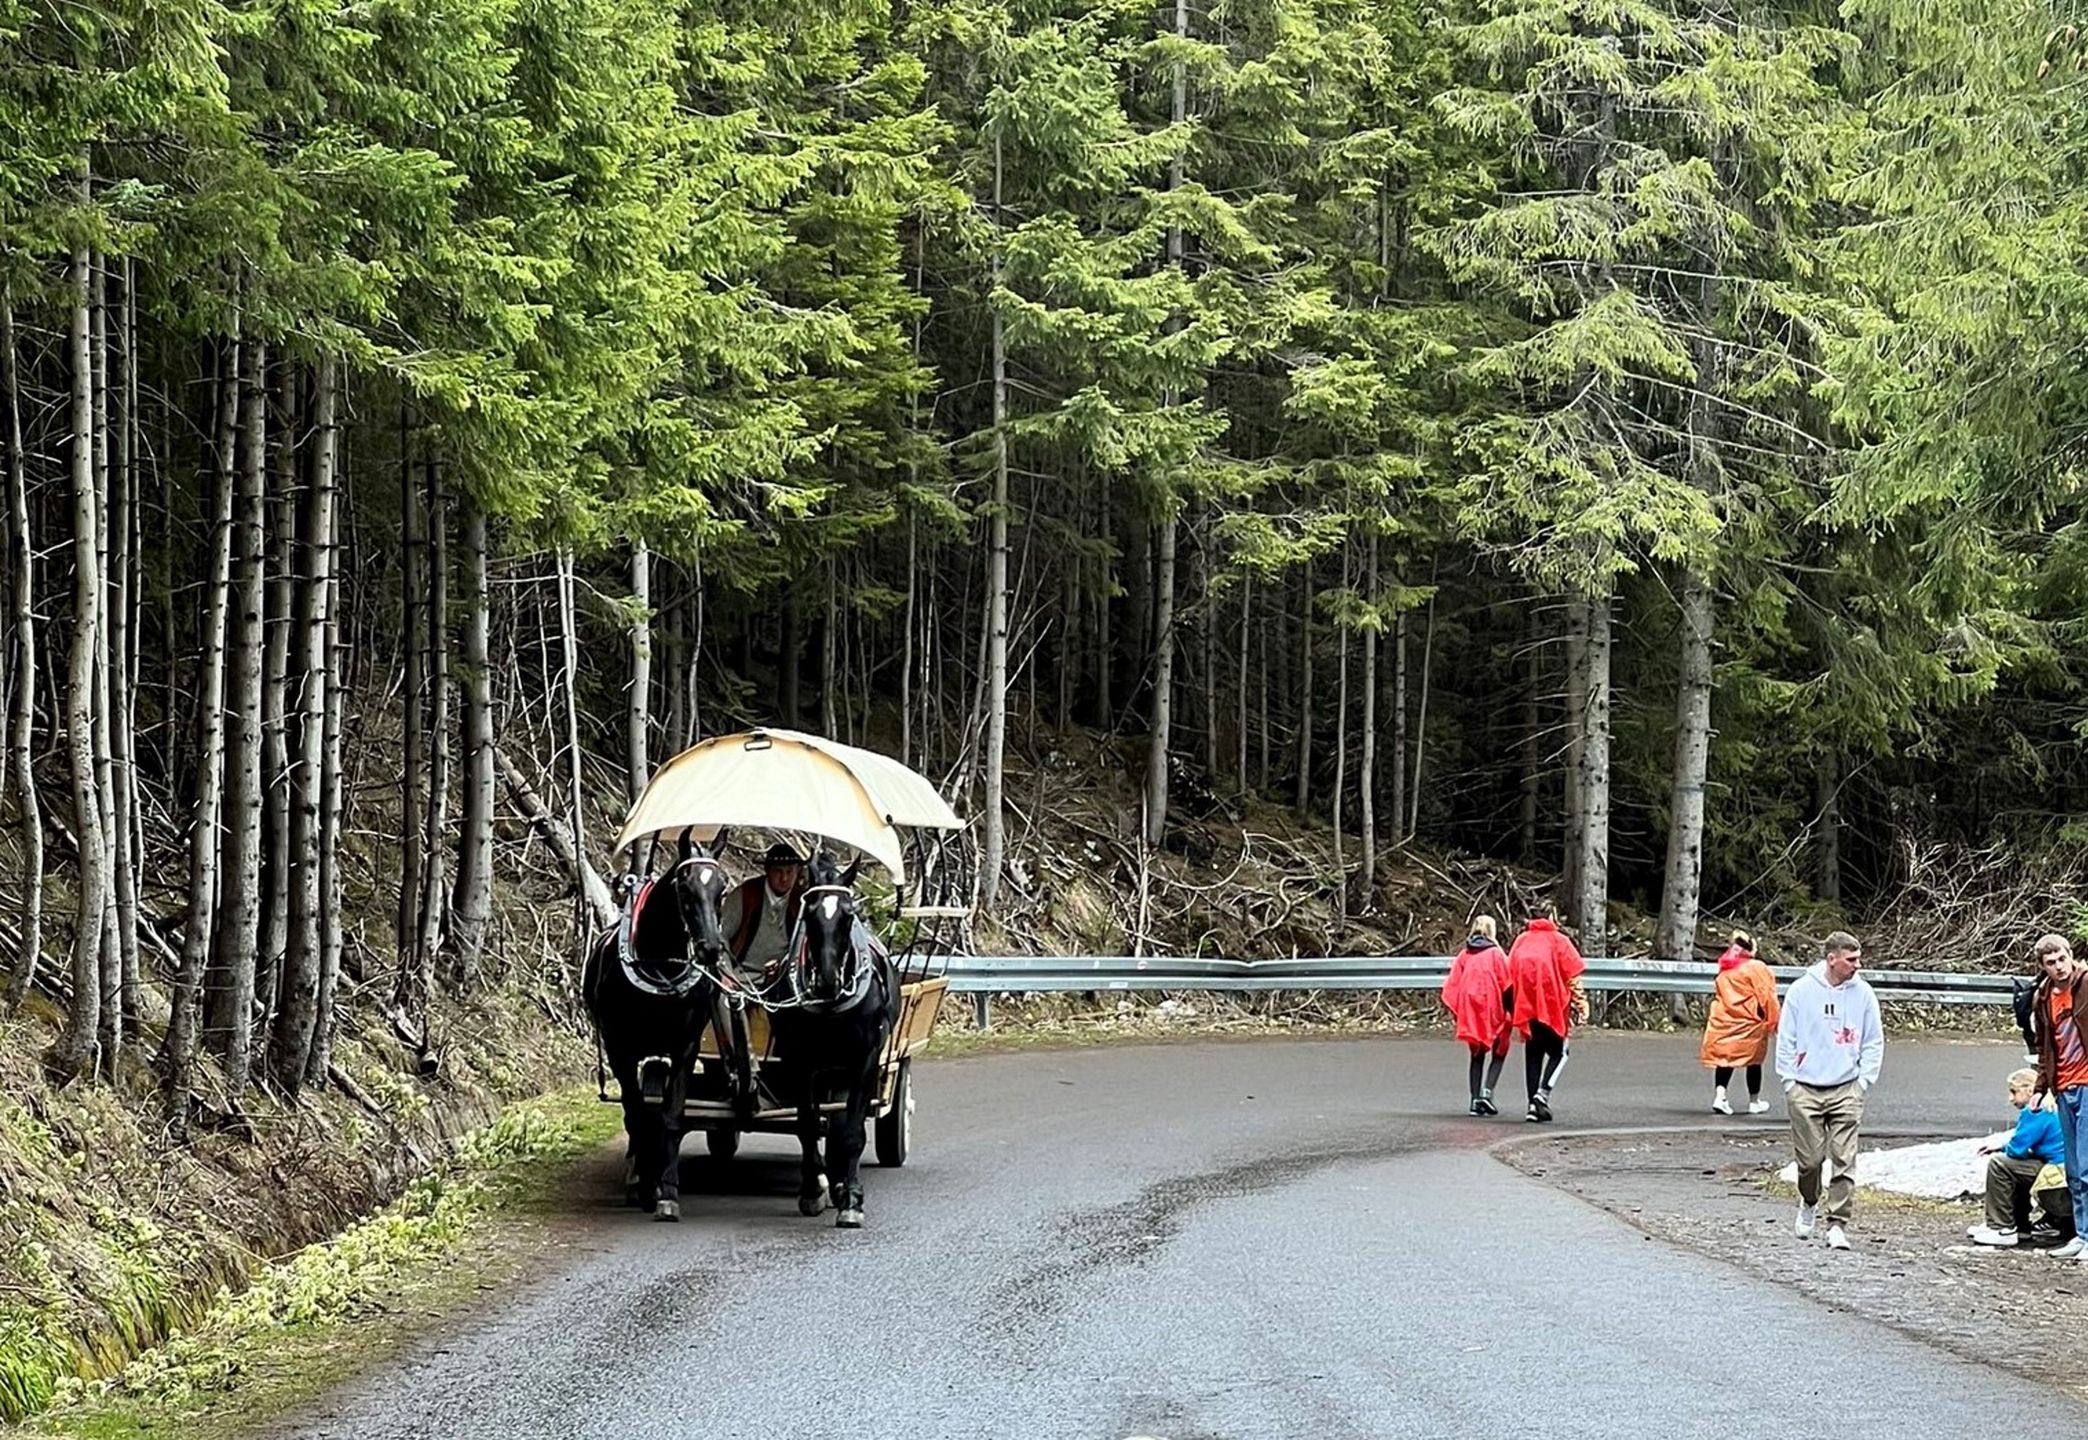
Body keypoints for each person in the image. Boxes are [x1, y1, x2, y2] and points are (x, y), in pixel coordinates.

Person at [1775, 930, 1884, 1251]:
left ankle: (1838, 1222)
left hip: (1846, 1087)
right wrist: (1789, 1081)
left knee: (1844, 1159)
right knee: (1809, 1162)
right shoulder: (1802, 990)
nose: (1857, 965)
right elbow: (1786, 1037)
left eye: (1858, 959)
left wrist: (1864, 1081)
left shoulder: (1863, 994)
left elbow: (1874, 1040)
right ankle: (1809, 1200)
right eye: (1851, 960)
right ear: (1832, 959)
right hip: (1805, 1087)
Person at [2029, 932, 2088, 1262]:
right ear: (2042, 966)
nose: (2059, 967)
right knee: (2074, 1168)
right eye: (2050, 963)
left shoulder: (2085, 984)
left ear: (2071, 956)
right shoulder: (2042, 998)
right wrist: (2040, 1087)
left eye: (2062, 959)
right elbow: (2044, 1047)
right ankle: (2081, 1234)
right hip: (2064, 1085)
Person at [1968, 1068, 2071, 1247]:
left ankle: (2001, 1227)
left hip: (2057, 1174)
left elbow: (2017, 1150)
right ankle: (2020, 1226)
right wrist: (2002, 1146)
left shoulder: (2034, 1111)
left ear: (2029, 1090)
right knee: (2017, 1166)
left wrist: (2002, 1149)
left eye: (2014, 1092)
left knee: (2000, 1164)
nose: (2010, 1098)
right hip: (2063, 1166)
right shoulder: (2051, 1107)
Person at [1507, 910, 1588, 1124]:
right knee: (1561, 1052)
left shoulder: (1521, 940)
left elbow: (1509, 973)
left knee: (1533, 1054)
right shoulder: (1559, 941)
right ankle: (1541, 1096)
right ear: (1552, 918)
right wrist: (1582, 1006)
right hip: (1552, 1008)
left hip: (1526, 1008)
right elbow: (1573, 976)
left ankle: (1532, 1107)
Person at [1701, 930, 1780, 1116]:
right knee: (1754, 1061)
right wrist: (1773, 1020)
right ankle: (1754, 1101)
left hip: (1725, 1018)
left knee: (1725, 1059)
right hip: (1749, 1021)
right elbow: (1767, 996)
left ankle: (1720, 1096)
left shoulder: (1726, 967)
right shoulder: (1756, 967)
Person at [1443, 915, 1514, 1116]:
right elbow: (1507, 984)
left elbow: (1453, 985)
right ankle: (1486, 1093)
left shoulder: (1465, 954)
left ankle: (1474, 1100)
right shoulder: (1497, 954)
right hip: (1492, 1008)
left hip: (1471, 1010)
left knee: (1477, 1054)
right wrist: (1513, 1011)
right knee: (1500, 1051)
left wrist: (1459, 1011)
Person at [720, 842, 808, 980]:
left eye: (790, 871)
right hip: (742, 974)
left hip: (785, 978)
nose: (784, 878)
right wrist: (726, 972)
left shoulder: (803, 901)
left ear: (797, 872)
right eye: (778, 871)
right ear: (768, 870)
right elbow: (720, 936)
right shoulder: (745, 895)